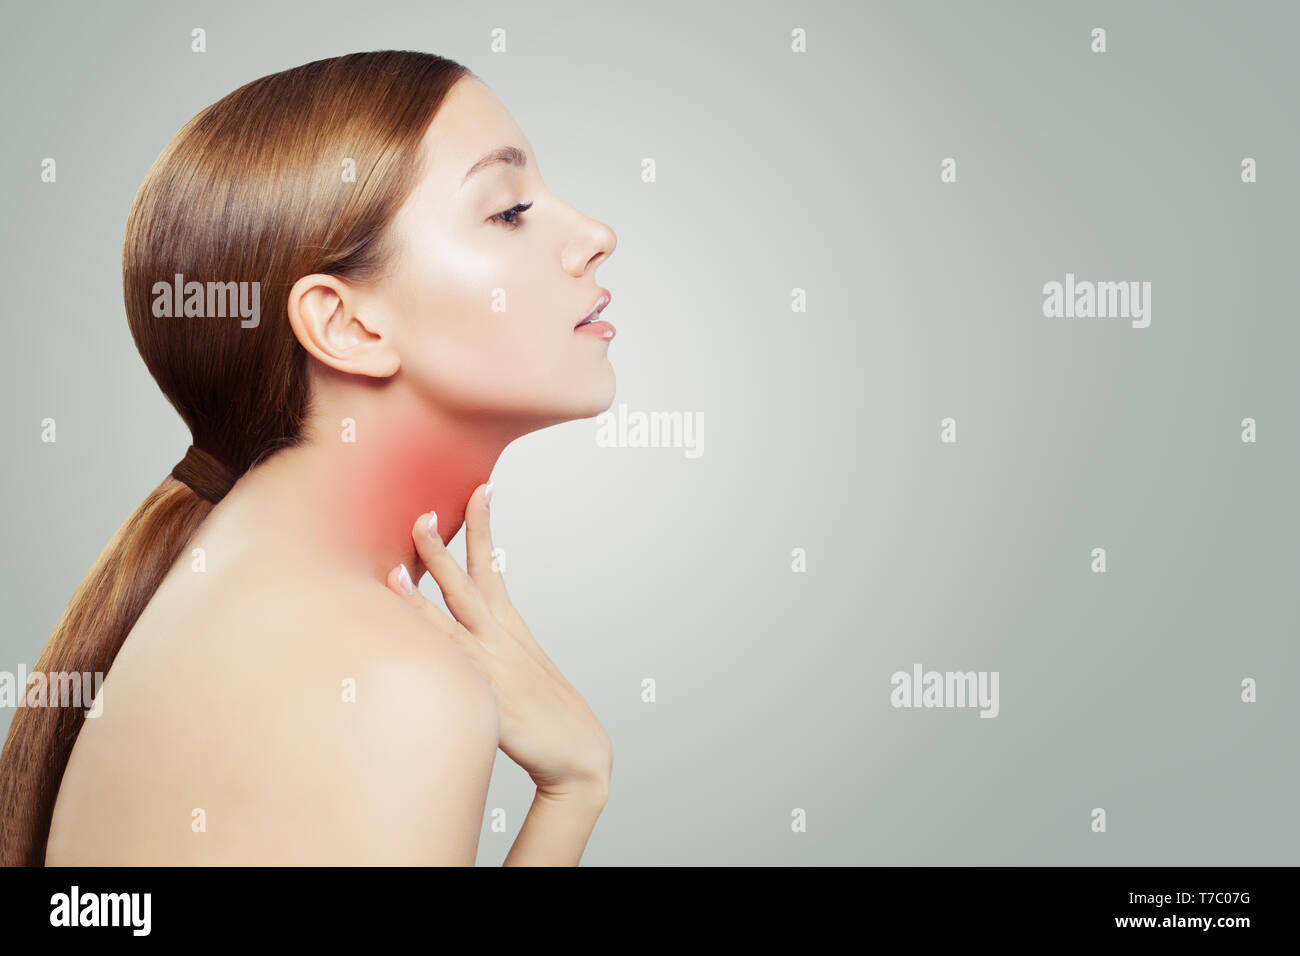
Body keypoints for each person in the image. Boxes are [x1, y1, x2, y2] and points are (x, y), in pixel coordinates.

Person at [0, 50, 617, 865]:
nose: (596, 238)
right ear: (346, 325)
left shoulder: (241, 577)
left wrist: (575, 787)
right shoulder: (385, 681)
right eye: (508, 211)